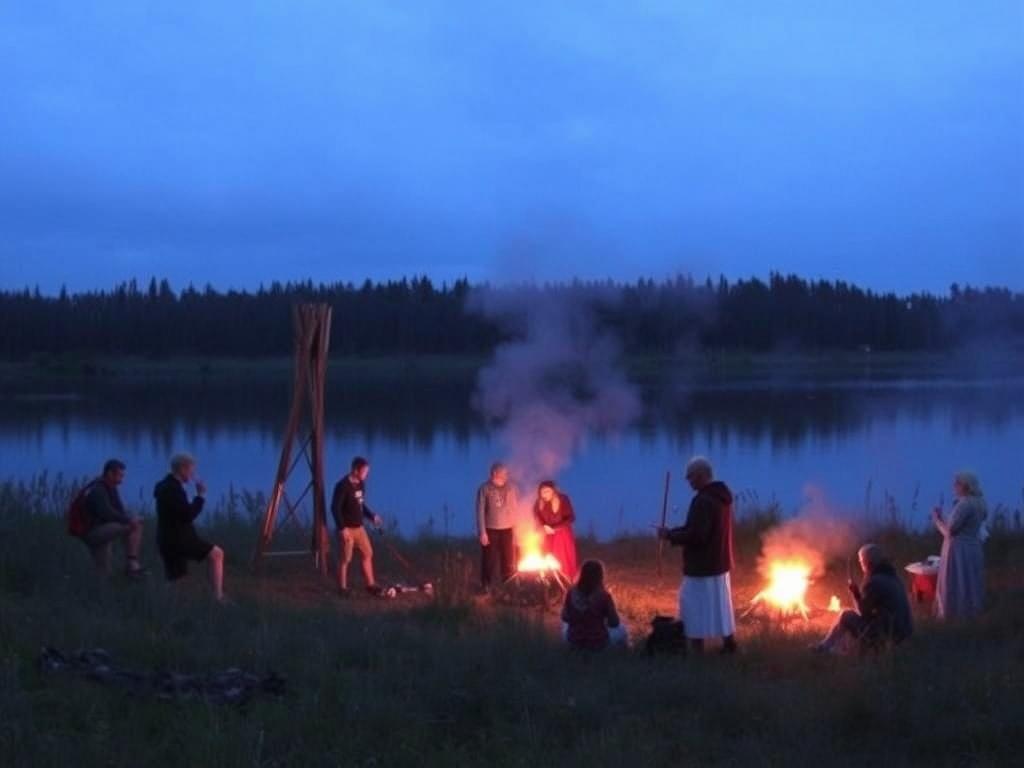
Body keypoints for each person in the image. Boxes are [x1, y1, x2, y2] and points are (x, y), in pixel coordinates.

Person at [658, 456, 738, 654]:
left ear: (702, 475)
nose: (689, 482)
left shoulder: (703, 500)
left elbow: (697, 536)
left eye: (691, 477)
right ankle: (729, 644)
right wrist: (672, 532)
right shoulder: (721, 497)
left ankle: (697, 651)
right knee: (721, 606)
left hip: (702, 566)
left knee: (693, 606)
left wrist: (669, 536)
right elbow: (696, 528)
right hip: (719, 563)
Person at [814, 543, 913, 653]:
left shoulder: (874, 582)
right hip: (904, 634)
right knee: (861, 621)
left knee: (845, 615)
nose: (860, 564)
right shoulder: (893, 577)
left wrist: (855, 593)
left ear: (868, 563)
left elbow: (864, 613)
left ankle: (824, 647)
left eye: (861, 561)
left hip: (889, 635)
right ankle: (841, 648)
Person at [154, 453, 225, 601]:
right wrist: (200, 496)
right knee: (217, 554)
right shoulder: (173, 489)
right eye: (191, 470)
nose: (193, 474)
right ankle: (218, 597)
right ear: (182, 468)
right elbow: (187, 515)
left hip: (165, 538)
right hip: (179, 540)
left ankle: (160, 602)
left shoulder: (164, 485)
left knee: (176, 581)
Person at [932, 471, 987, 619]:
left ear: (965, 486)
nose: (954, 486)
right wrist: (943, 517)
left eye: (957, 484)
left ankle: (954, 614)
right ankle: (970, 611)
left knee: (956, 581)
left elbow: (950, 531)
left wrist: (937, 520)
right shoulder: (979, 503)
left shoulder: (965, 504)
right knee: (969, 581)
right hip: (972, 547)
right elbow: (961, 525)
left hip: (958, 551)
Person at [82, 459, 145, 577]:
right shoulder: (98, 490)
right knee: (132, 525)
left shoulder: (111, 488)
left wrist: (130, 517)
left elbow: (119, 510)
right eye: (120, 475)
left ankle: (130, 566)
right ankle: (132, 563)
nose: (122, 478)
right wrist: (129, 520)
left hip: (103, 529)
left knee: (103, 571)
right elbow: (107, 513)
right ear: (110, 474)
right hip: (93, 532)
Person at [331, 456, 383, 596]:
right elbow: (335, 508)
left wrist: (372, 516)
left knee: (368, 553)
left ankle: (370, 584)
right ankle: (342, 588)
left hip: (359, 528)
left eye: (367, 472)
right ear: (355, 470)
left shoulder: (360, 484)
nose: (366, 475)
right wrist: (342, 529)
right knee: (345, 558)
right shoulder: (342, 486)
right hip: (347, 529)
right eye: (364, 471)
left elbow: (360, 504)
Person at [561, 560, 628, 651]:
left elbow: (564, 617)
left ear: (582, 575)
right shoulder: (604, 596)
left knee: (565, 626)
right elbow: (614, 623)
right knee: (622, 629)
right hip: (598, 642)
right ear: (600, 576)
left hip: (574, 640)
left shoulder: (571, 593)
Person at [476, 462, 518, 592]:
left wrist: (516, 530)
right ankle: (486, 585)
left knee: (508, 558)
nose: (506, 475)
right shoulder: (484, 488)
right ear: (494, 473)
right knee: (489, 559)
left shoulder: (510, 488)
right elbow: (480, 511)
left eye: (506, 473)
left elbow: (514, 509)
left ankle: (508, 585)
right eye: (504, 473)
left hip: (507, 529)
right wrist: (482, 532)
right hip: (490, 529)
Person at [534, 480, 578, 580]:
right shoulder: (539, 502)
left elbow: (571, 517)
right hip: (548, 535)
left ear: (553, 491)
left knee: (562, 559)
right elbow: (538, 515)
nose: (544, 494)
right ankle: (551, 580)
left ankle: (566, 580)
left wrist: (555, 528)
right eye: (542, 492)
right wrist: (543, 526)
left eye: (547, 491)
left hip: (562, 534)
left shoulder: (563, 499)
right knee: (548, 557)